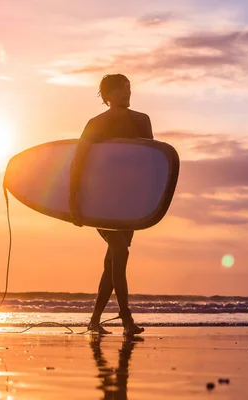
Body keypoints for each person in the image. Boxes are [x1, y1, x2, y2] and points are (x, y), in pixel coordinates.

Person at [69, 74, 153, 336]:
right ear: (107, 96)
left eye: (129, 88)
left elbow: (150, 161)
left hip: (128, 203)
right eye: (121, 90)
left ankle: (94, 321)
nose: (127, 93)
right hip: (100, 202)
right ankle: (126, 319)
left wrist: (148, 201)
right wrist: (74, 201)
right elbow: (78, 163)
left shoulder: (142, 120)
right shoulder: (95, 124)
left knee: (112, 263)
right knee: (120, 252)